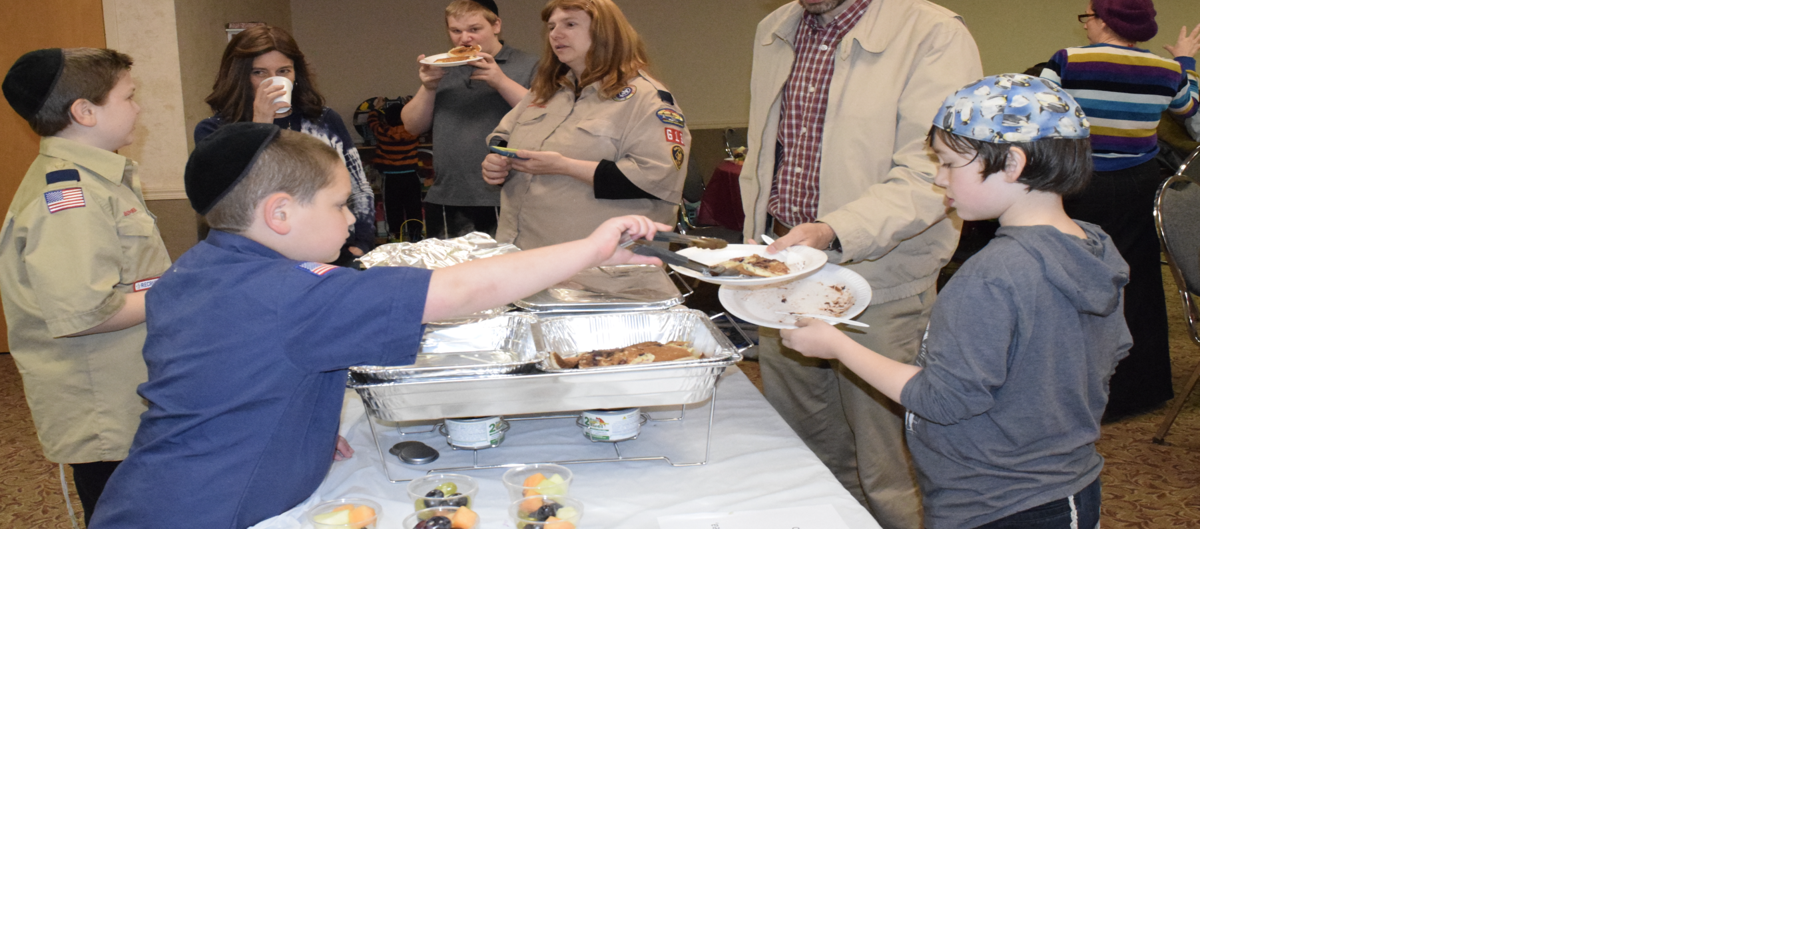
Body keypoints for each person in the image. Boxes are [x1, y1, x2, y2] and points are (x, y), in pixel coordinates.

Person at [90, 125, 667, 529]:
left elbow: (223, 377)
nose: (351, 219)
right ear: (280, 214)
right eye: (341, 205)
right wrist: (589, 248)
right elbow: (461, 290)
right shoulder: (293, 294)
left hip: (154, 493)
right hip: (214, 512)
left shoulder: (200, 269)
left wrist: (299, 425)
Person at [780, 75, 1130, 530]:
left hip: (995, 503)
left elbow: (941, 399)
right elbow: (1112, 351)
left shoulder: (991, 276)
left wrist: (838, 346)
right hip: (1067, 488)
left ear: (1012, 163)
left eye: (948, 163)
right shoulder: (1095, 246)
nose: (939, 179)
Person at [743, 0, 982, 530]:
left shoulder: (932, 32)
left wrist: (834, 231)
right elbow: (768, 156)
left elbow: (930, 175)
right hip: (784, 277)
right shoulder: (774, 30)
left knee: (888, 471)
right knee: (805, 456)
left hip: (881, 281)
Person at [0, 48, 169, 525]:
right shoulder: (68, 197)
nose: (137, 108)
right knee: (126, 514)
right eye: (129, 97)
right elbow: (88, 311)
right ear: (84, 111)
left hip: (129, 388)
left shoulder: (103, 178)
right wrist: (179, 291)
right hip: (104, 408)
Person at [1044, 1, 1198, 420]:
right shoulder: (1169, 73)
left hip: (1079, 184)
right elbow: (1194, 115)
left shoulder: (1068, 60)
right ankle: (1137, 391)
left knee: (1071, 280)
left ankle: (1069, 388)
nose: (1086, 25)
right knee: (1138, 284)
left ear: (1104, 20)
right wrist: (1183, 61)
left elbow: (1038, 109)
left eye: (1088, 17)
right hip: (1139, 187)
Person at [482, 0, 688, 249]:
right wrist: (497, 164)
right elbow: (503, 136)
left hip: (601, 268)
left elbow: (657, 179)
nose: (556, 34)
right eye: (551, 27)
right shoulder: (547, 90)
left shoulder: (647, 98)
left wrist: (564, 166)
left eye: (570, 24)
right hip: (526, 253)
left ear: (605, 32)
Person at [195, 25, 375, 266]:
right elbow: (232, 202)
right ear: (240, 76)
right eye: (259, 72)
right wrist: (261, 124)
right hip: (258, 259)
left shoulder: (324, 120)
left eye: (283, 70)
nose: (273, 80)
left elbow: (358, 184)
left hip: (333, 252)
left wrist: (362, 243)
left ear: (295, 75)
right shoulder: (215, 131)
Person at [401, 0, 538, 239]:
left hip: (510, 195)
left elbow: (544, 115)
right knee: (452, 275)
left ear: (496, 25)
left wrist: (500, 80)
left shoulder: (529, 65)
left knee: (509, 273)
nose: (465, 39)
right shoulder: (442, 66)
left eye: (474, 29)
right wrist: (429, 86)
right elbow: (412, 126)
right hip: (447, 195)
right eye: (456, 31)